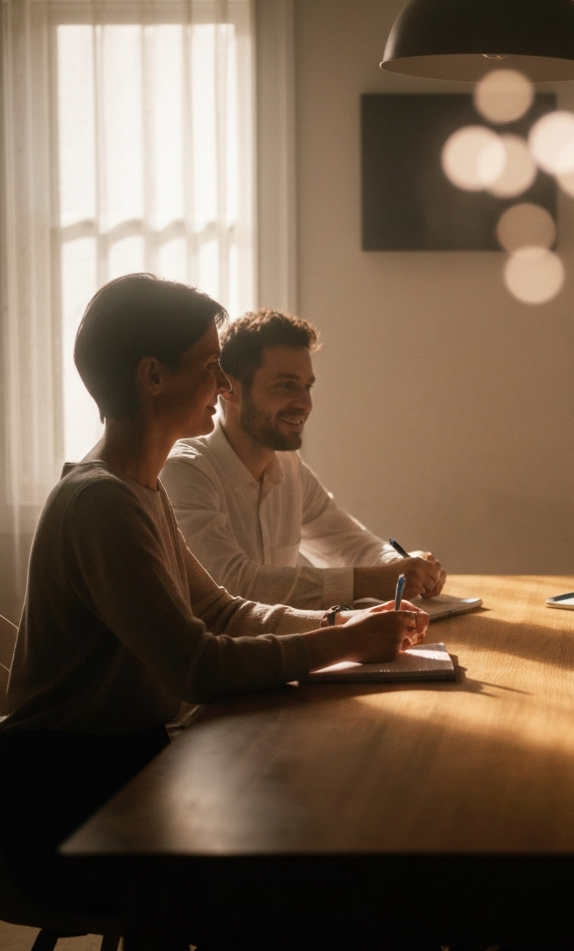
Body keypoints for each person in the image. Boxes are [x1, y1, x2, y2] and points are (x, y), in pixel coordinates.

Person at [0, 274, 428, 917]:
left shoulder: (140, 489)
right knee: (332, 867)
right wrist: (342, 641)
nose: (224, 386)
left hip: (125, 767)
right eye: (210, 368)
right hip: (74, 801)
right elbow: (195, 667)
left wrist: (342, 619)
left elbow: (222, 609)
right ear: (152, 377)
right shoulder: (102, 503)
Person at [160, 309, 445, 609]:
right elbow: (229, 585)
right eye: (285, 385)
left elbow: (350, 544)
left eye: (307, 386)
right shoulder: (185, 470)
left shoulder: (288, 467)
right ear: (228, 389)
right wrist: (374, 581)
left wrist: (403, 566)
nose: (305, 404)